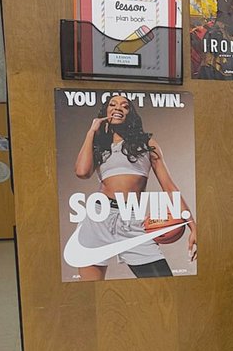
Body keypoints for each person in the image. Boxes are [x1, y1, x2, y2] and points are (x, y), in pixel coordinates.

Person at [71, 94, 196, 280]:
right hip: (97, 216)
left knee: (163, 286)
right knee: (92, 292)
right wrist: (92, 132)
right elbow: (82, 172)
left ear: (131, 113)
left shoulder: (147, 144)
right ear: (106, 111)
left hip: (131, 217)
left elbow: (169, 188)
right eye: (112, 104)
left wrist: (192, 226)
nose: (118, 108)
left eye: (125, 106)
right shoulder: (99, 145)